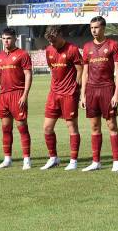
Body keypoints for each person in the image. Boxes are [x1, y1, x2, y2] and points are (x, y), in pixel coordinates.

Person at [80, 16, 118, 172]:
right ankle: (96, 161)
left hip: (107, 88)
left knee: (111, 125)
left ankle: (116, 161)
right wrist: (83, 94)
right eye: (91, 28)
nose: (93, 30)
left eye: (96, 27)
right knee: (95, 126)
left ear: (103, 28)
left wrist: (116, 93)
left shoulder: (113, 45)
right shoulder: (86, 47)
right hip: (91, 90)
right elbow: (85, 72)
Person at [40, 25, 83, 170]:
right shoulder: (49, 50)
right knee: (47, 127)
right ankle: (53, 158)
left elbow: (80, 70)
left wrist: (77, 90)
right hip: (54, 93)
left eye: (54, 41)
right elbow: (52, 69)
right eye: (50, 42)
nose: (52, 44)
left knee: (72, 127)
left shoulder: (72, 49)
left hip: (69, 94)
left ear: (60, 35)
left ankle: (73, 161)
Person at [0, 28, 33, 170]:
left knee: (22, 127)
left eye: (8, 38)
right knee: (6, 129)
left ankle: (27, 159)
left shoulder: (22, 54)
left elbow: (28, 74)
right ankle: (7, 159)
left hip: (17, 94)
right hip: (4, 96)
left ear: (15, 39)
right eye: (3, 38)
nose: (6, 41)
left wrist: (25, 94)